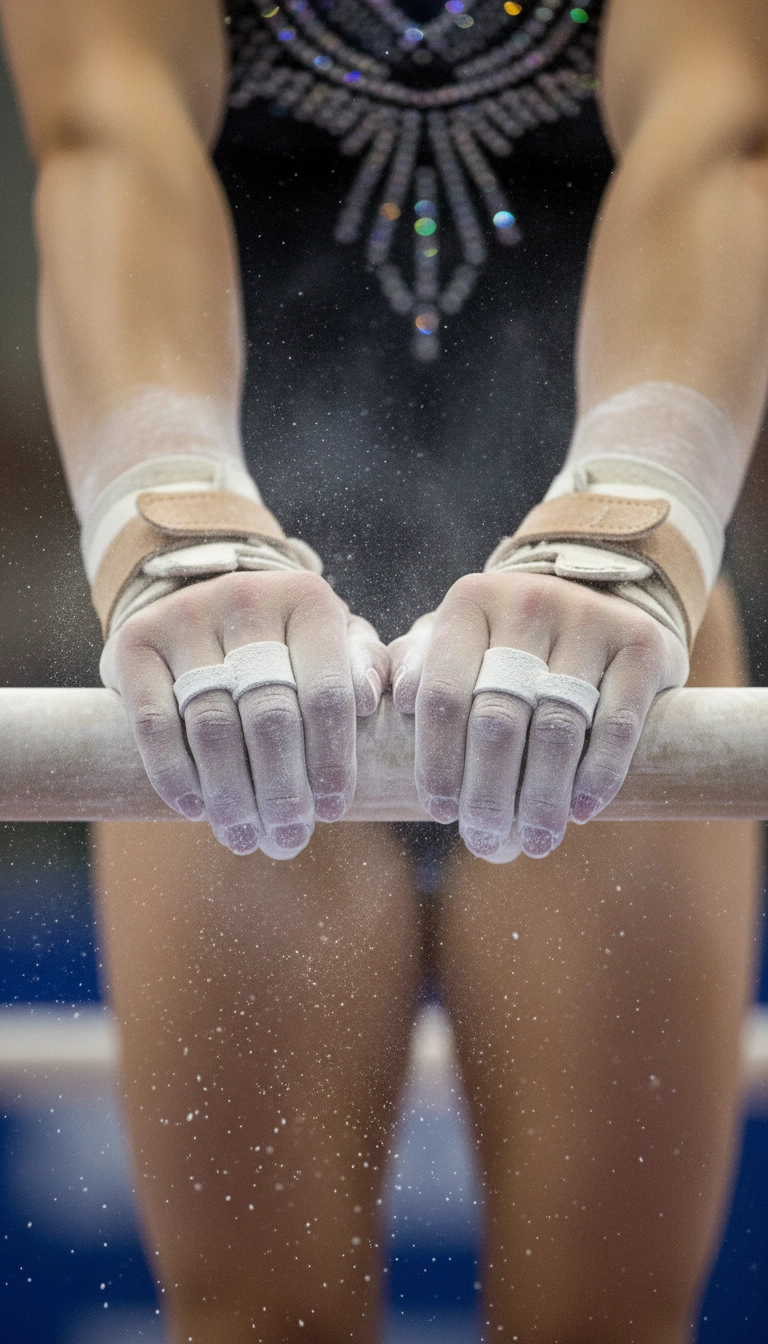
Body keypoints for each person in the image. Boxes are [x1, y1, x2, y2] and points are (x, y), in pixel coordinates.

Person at [1, 0, 766, 1339]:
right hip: (243, 642)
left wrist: (637, 514)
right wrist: (173, 519)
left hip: (613, 644)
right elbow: (103, 127)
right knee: (257, 1321)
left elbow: (719, 125)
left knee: (605, 1321)